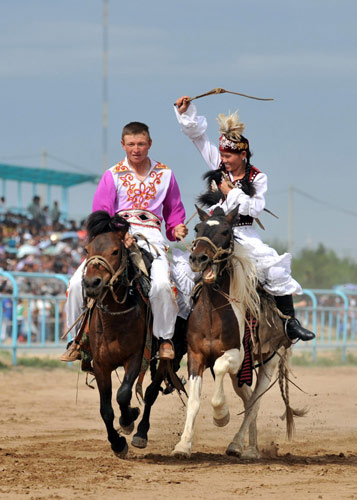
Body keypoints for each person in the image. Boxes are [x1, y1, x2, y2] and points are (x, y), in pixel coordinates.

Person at [174, 96, 314, 342]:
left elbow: (255, 208)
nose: (224, 160)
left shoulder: (258, 177)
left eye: (229, 156)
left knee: (273, 266)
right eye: (222, 155)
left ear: (243, 154)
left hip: (244, 234)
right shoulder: (219, 167)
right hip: (214, 232)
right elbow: (198, 138)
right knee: (185, 268)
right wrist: (186, 113)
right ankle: (181, 325)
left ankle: (290, 323)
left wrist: (232, 192)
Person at [61, 121, 188, 362]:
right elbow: (101, 213)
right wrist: (119, 232)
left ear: (150, 144)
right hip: (116, 238)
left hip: (152, 238)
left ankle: (164, 340)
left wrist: (177, 228)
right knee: (77, 283)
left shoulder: (166, 175)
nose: (136, 149)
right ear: (123, 145)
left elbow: (173, 214)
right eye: (131, 144)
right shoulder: (112, 175)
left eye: (141, 144)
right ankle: (76, 340)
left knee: (162, 285)